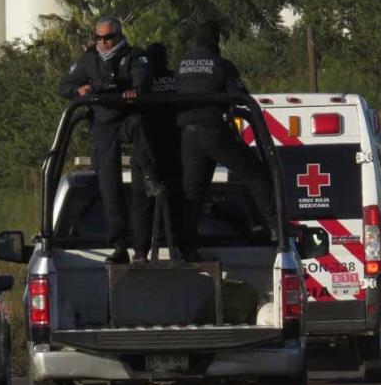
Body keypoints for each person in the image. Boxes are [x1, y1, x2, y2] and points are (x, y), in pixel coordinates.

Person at [58, 16, 158, 264]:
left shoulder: (134, 56)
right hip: (102, 126)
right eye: (99, 38)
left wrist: (133, 90)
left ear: (119, 35)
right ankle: (119, 246)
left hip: (126, 120)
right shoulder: (88, 60)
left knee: (141, 190)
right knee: (109, 190)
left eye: (108, 37)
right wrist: (78, 91)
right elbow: (64, 85)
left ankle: (142, 247)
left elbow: (142, 79)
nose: (103, 43)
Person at [175, 20, 277, 259]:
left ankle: (186, 246)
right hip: (214, 131)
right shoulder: (221, 65)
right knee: (254, 172)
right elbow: (240, 95)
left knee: (193, 192)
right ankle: (275, 226)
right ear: (216, 40)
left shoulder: (180, 65)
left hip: (188, 136)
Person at [129, 42, 185, 261]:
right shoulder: (176, 80)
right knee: (176, 200)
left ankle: (141, 252)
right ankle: (181, 246)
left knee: (142, 203)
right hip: (172, 148)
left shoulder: (141, 82)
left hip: (145, 151)